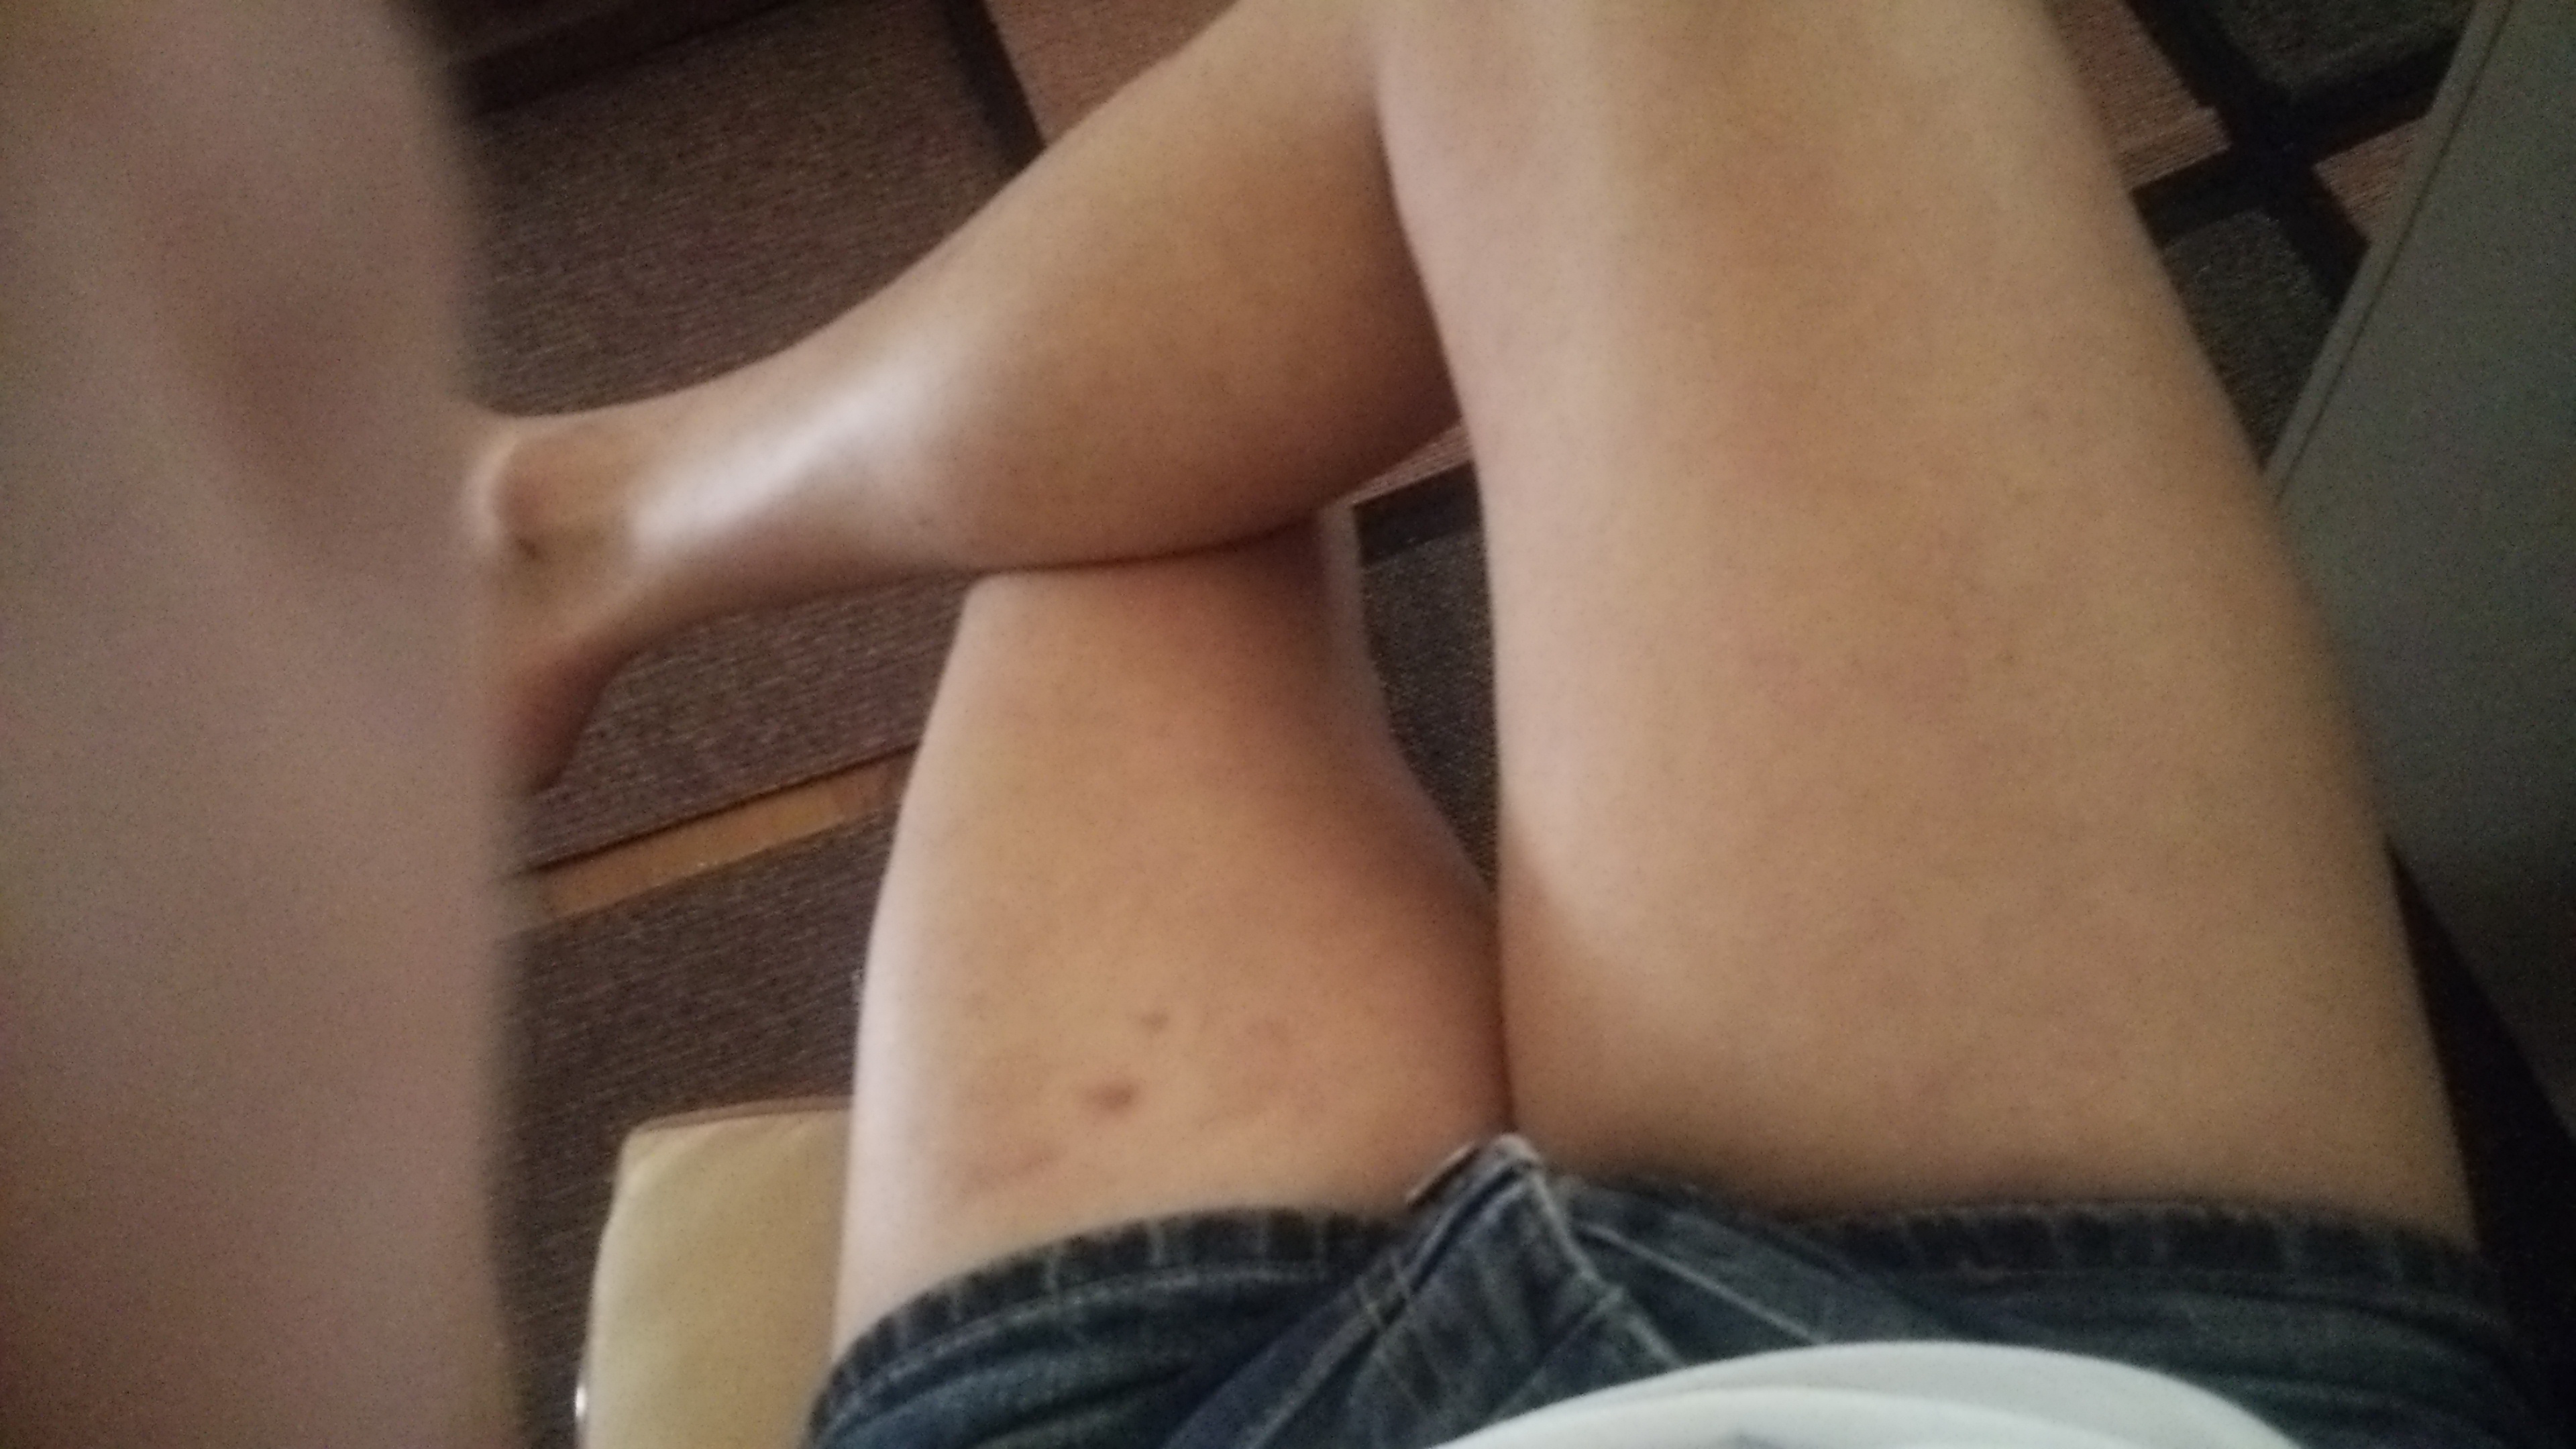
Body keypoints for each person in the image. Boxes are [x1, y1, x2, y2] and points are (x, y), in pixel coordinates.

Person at [2, 2, 2557, 1446]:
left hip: (1132, 1415)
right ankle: (571, 538)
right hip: (2051, 1383)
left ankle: (571, 539)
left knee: (1139, 492)